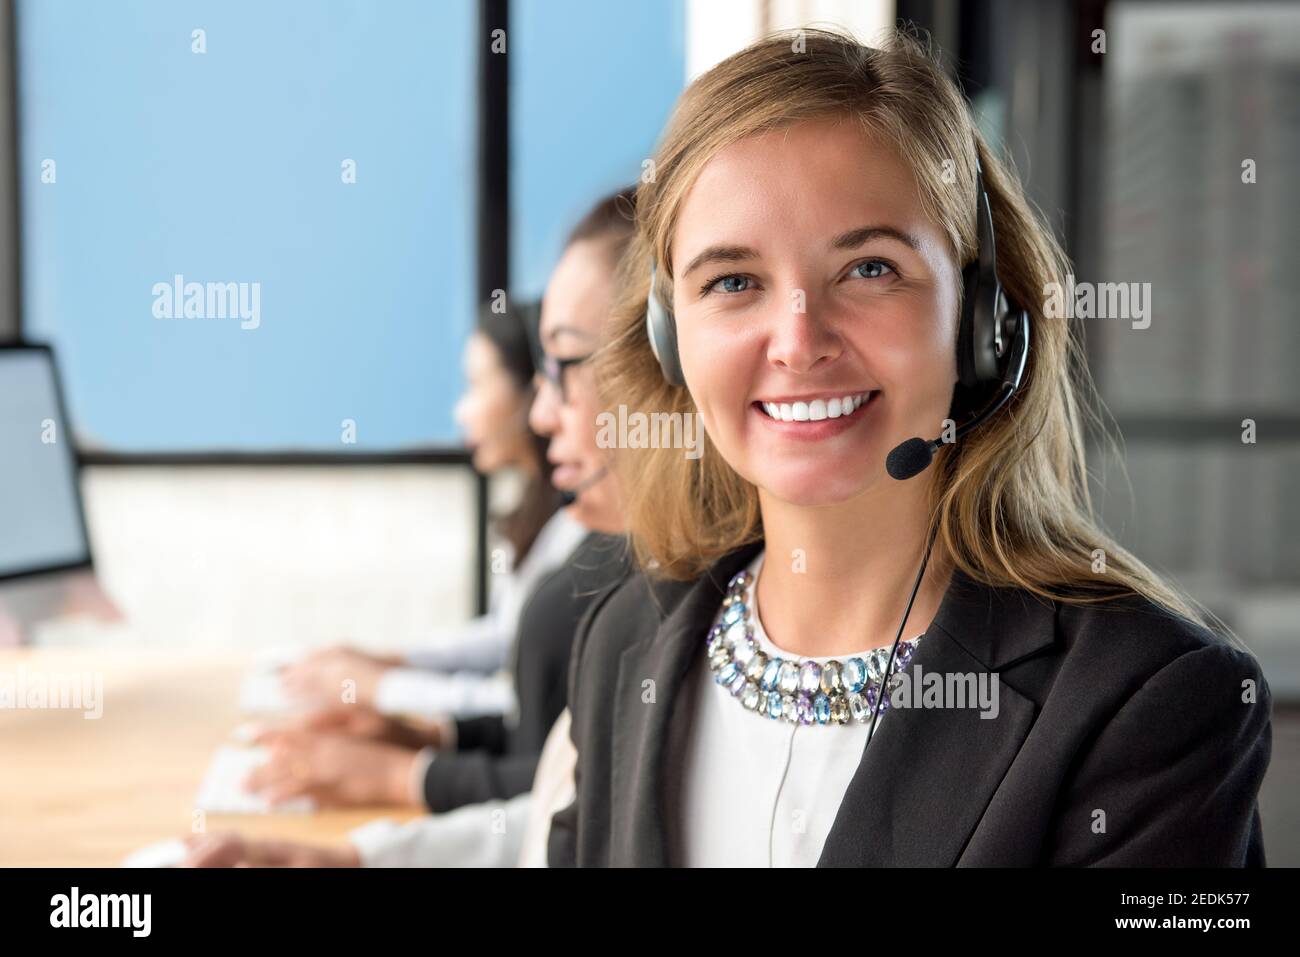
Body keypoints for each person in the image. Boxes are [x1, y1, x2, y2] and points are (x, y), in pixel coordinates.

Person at [546, 29, 1273, 867]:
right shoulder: (623, 641)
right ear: (671, 340)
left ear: (980, 323)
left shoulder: (1149, 701)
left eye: (869, 270)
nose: (798, 340)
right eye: (733, 282)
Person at [185, 189, 639, 866]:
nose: (546, 415)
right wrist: (358, 849)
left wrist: (401, 742)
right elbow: (561, 811)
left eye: (566, 366)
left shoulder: (650, 608)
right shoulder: (630, 604)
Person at [277, 301, 587, 719]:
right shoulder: (537, 508)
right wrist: (388, 662)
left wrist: (379, 685)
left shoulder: (581, 525)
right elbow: (505, 638)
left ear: (530, 390)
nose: (461, 411)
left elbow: (520, 697)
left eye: (476, 385)